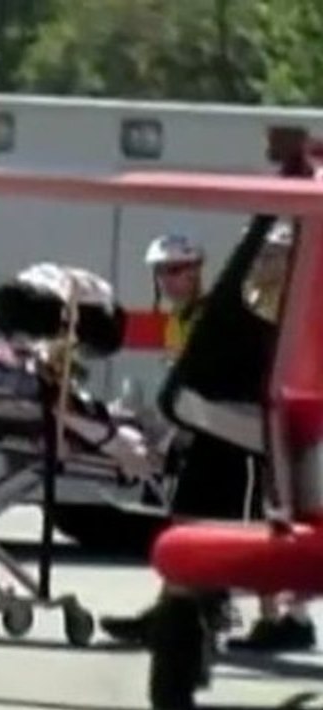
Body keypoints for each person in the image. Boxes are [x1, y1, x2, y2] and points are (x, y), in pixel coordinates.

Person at [100, 227, 260, 646]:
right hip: (194, 434)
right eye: (162, 272)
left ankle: (191, 616)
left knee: (209, 528)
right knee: (189, 526)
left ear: (197, 270)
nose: (168, 280)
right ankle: (186, 614)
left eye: (177, 270)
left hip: (224, 437)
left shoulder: (213, 316)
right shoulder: (178, 320)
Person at [225, 220, 316, 652]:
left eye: (273, 255)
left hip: (297, 421)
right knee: (272, 515)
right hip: (270, 420)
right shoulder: (259, 303)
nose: (264, 262)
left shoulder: (297, 308)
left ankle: (291, 614)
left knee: (291, 513)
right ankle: (277, 614)